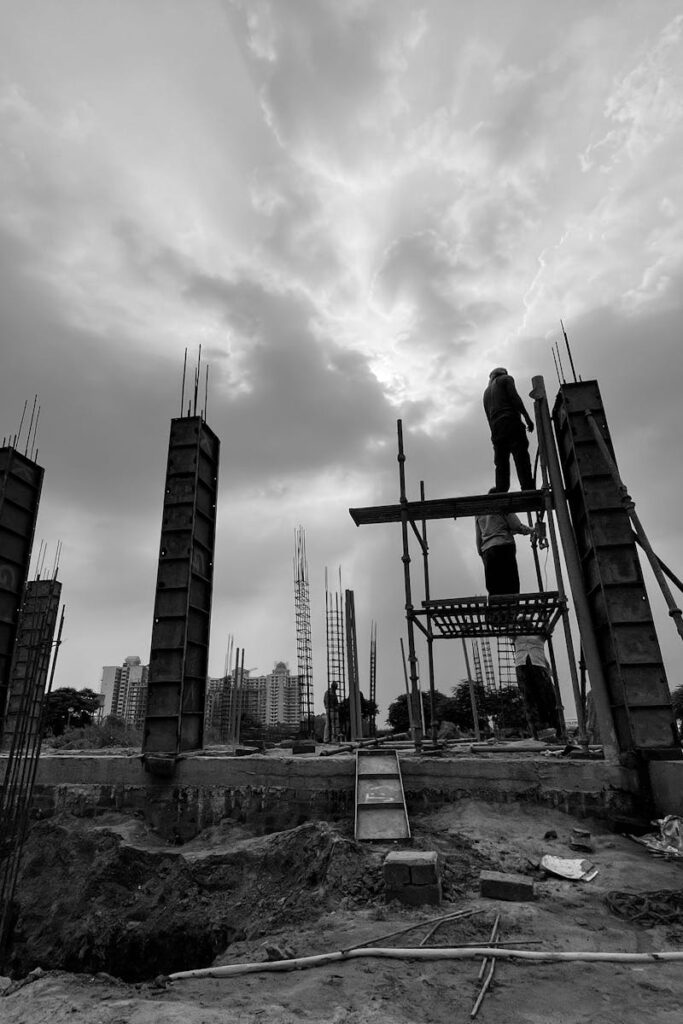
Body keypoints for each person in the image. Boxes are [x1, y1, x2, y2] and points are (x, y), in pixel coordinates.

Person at [483, 367, 535, 492]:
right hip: (511, 421)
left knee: (501, 462)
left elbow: (488, 417)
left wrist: (494, 434)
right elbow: (514, 398)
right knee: (520, 455)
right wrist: (527, 417)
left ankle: (501, 489)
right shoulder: (506, 379)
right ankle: (527, 487)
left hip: (496, 429)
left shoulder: (486, 393)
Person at [475, 502, 535, 595]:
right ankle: (512, 607)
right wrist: (532, 530)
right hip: (504, 547)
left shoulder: (479, 512)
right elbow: (517, 526)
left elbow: (479, 538)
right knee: (510, 585)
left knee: (494, 588)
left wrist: (482, 554)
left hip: (488, 551)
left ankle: (497, 608)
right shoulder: (502, 504)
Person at [514, 635, 561, 739]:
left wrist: (548, 667)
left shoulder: (539, 636)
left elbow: (548, 630)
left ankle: (557, 729)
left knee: (549, 697)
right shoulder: (517, 636)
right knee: (529, 699)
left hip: (538, 664)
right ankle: (537, 732)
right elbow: (509, 630)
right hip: (522, 664)